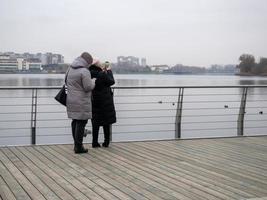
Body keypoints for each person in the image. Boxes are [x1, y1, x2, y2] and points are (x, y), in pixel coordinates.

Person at [66, 52, 95, 153]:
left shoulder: (70, 69)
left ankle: (76, 145)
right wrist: (93, 82)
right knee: (81, 122)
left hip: (71, 99)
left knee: (75, 121)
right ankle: (78, 147)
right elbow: (88, 87)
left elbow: (66, 82)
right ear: (87, 62)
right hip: (81, 101)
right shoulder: (84, 71)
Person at [89, 60, 116, 148]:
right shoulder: (102, 74)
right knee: (106, 121)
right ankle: (106, 142)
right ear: (98, 65)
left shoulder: (89, 73)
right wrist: (109, 70)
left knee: (95, 122)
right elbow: (111, 81)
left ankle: (94, 142)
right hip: (105, 101)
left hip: (94, 100)